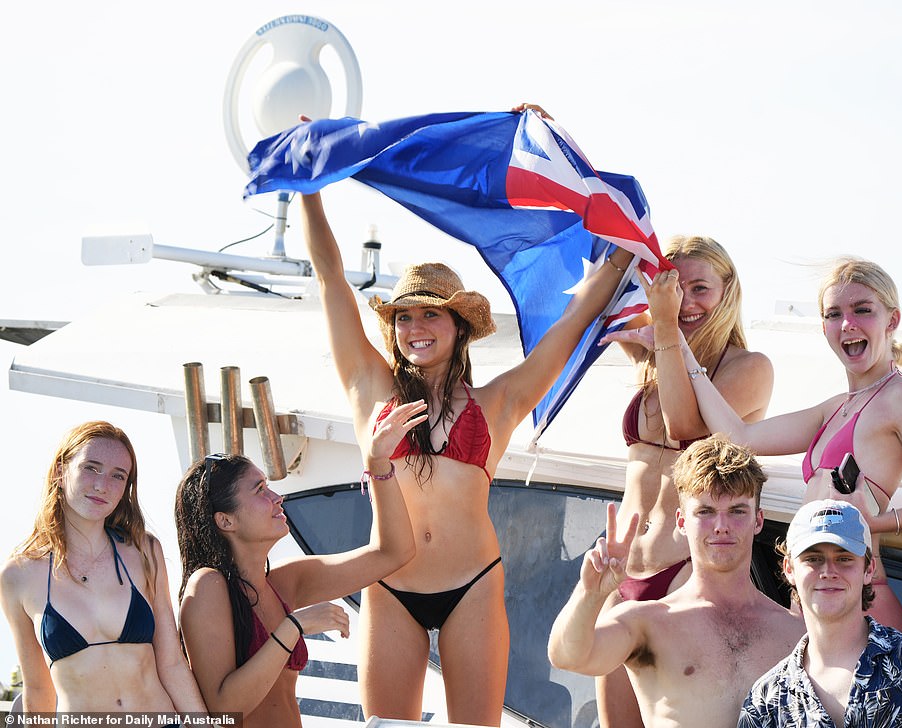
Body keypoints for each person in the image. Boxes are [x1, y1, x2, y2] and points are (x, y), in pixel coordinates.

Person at [300, 175, 635, 722]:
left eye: (431, 314)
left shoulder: (498, 402)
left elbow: (574, 323)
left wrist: (623, 254)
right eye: (404, 317)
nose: (415, 327)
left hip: (472, 585)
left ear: (458, 326)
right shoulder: (370, 387)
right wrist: (308, 189)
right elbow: (330, 279)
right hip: (391, 584)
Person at [678, 257, 902, 630]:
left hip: (861, 600)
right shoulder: (833, 408)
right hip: (811, 600)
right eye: (833, 314)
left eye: (862, 310)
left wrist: (875, 523)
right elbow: (739, 437)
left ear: (892, 320)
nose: (847, 324)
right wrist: (680, 349)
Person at [593, 235, 774, 728]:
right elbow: (594, 303)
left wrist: (666, 327)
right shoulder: (654, 354)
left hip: (682, 572)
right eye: (674, 286)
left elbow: (687, 431)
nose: (687, 301)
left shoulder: (748, 368)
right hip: (620, 570)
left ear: (728, 291)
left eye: (701, 288)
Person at [175, 400, 421, 728]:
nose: (278, 497)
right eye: (260, 489)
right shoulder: (207, 586)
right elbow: (223, 711)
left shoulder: (284, 582)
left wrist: (377, 463)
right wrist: (293, 627)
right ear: (226, 520)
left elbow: (394, 552)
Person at [548, 435, 804, 728]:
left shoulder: (795, 634)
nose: (721, 527)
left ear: (758, 520)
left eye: (736, 511)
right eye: (705, 512)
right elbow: (567, 656)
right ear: (682, 522)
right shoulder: (648, 624)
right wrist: (589, 594)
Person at [0, 421, 206, 714]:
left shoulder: (144, 551)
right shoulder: (18, 575)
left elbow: (171, 663)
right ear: (60, 472)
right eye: (91, 468)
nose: (102, 485)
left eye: (118, 476)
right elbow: (37, 688)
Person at [739, 499, 902, 727]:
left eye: (844, 559)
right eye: (813, 559)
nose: (828, 571)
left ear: (869, 569)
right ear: (789, 569)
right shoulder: (766, 701)